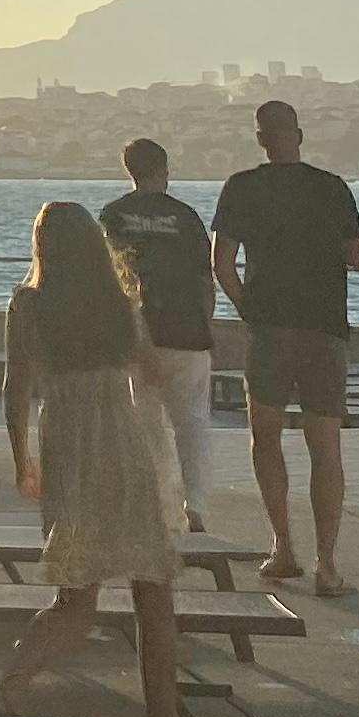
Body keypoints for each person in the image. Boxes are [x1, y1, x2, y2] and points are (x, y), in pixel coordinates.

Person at [0, 198, 184, 717]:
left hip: (68, 442)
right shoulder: (117, 301)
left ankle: (10, 685)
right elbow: (152, 372)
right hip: (121, 441)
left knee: (76, 595)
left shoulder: (28, 305)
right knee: (152, 592)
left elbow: (16, 388)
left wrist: (21, 459)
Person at [213, 95, 359, 599]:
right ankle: (328, 565)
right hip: (325, 328)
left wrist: (249, 309)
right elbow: (357, 256)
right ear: (299, 136)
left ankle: (282, 547)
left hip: (270, 330)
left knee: (266, 437)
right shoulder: (332, 187)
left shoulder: (241, 187)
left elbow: (222, 264)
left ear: (260, 139)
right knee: (325, 447)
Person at [100, 137, 218, 530]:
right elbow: (204, 278)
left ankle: (157, 504)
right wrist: (205, 324)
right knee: (192, 423)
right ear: (164, 170)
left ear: (129, 170)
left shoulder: (113, 216)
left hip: (135, 334)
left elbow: (108, 281)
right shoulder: (185, 217)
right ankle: (194, 506)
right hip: (186, 333)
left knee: (145, 422)